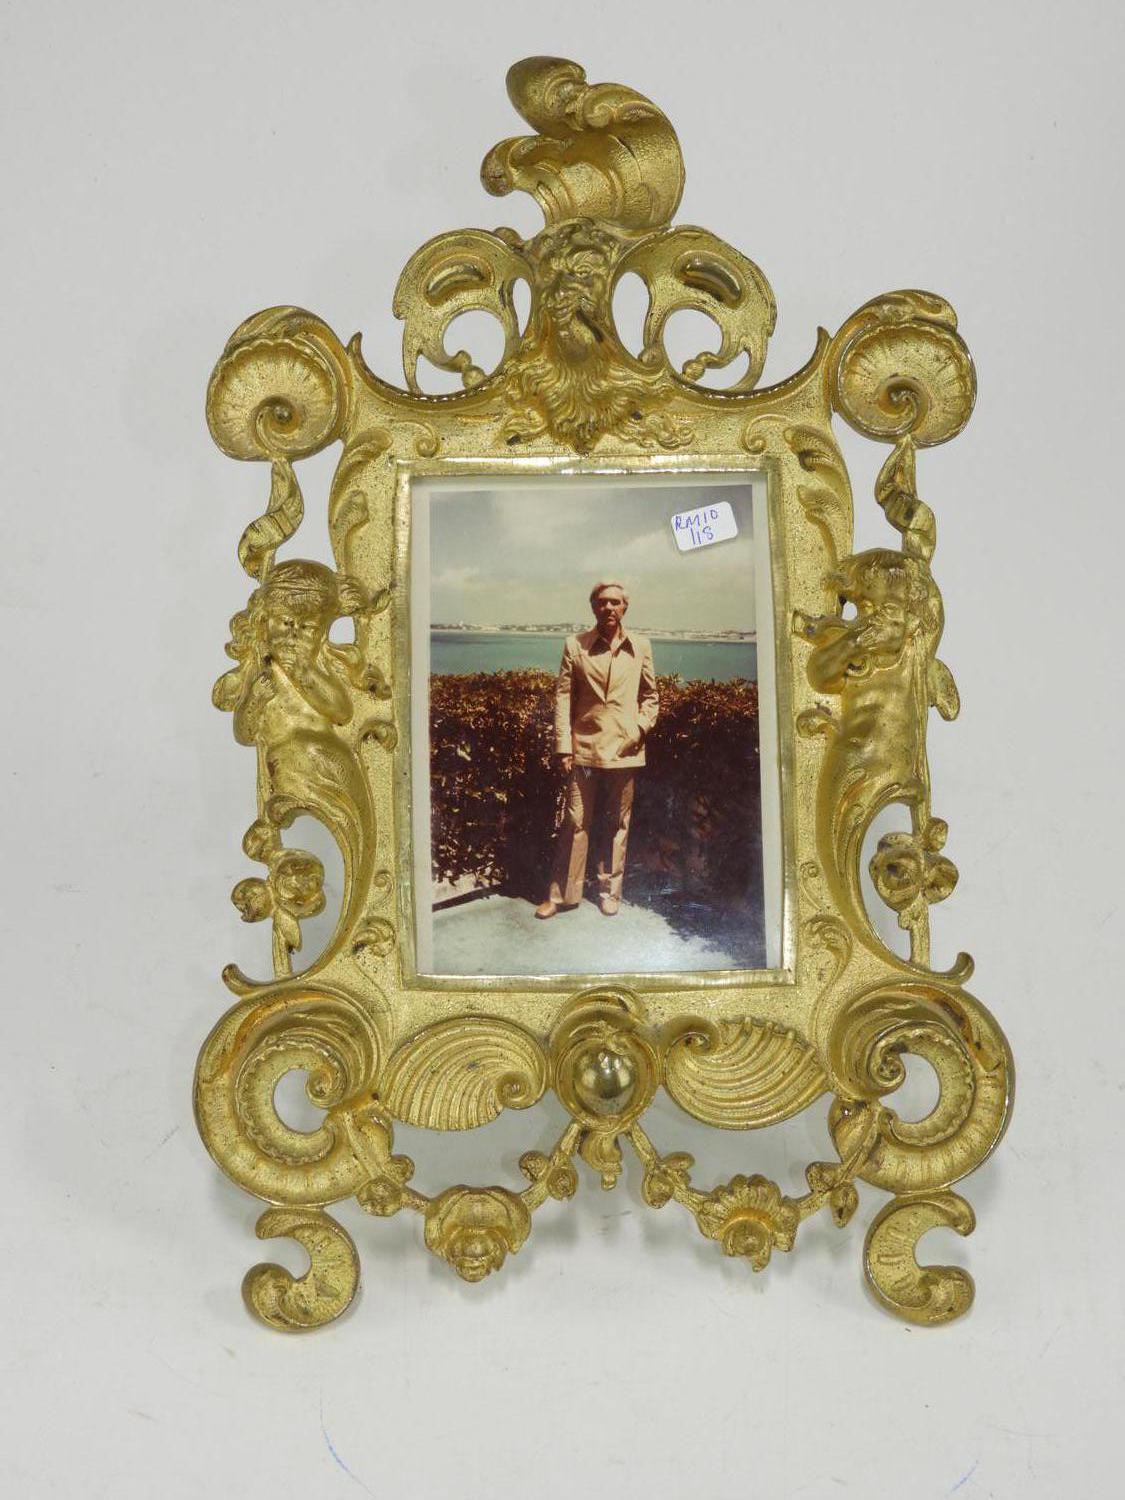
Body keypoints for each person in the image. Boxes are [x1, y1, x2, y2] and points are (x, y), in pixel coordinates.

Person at [536, 581, 659, 919]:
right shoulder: (575, 645)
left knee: (617, 823)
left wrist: (638, 730)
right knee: (575, 820)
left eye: (615, 602)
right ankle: (561, 895)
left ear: (624, 608)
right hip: (585, 752)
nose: (609, 608)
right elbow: (563, 698)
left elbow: (651, 698)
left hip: (625, 751)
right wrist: (564, 747)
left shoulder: (641, 647)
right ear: (593, 607)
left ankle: (609, 892)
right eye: (602, 602)